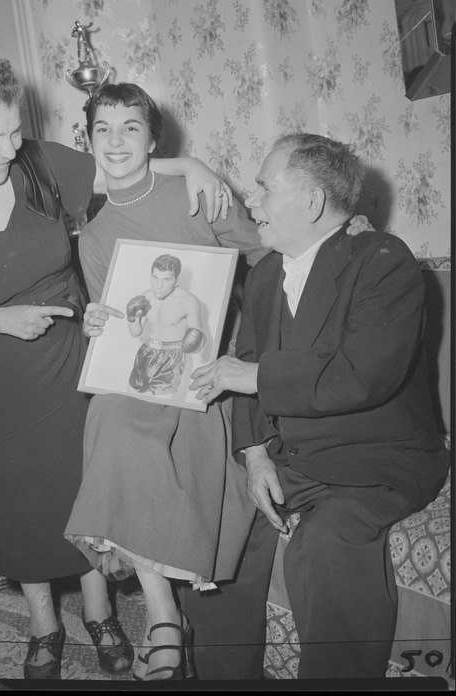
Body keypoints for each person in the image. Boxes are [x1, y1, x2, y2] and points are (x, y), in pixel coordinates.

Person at [0, 47, 234, 680]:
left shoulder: (38, 165)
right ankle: (43, 621)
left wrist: (195, 163)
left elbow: (124, 169)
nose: (9, 146)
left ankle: (100, 610)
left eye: (14, 128)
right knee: (20, 498)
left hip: (73, 353)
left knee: (82, 480)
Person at [63, 85, 371, 682]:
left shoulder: (195, 192)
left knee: (127, 421)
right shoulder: (95, 233)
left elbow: (271, 255)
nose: (117, 141)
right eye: (104, 129)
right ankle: (162, 615)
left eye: (132, 128)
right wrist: (96, 322)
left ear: (155, 139)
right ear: (90, 140)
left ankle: (166, 625)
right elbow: (121, 316)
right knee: (108, 413)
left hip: (217, 367)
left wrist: (341, 237)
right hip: (147, 375)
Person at [190, 133, 450, 680]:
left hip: (378, 459)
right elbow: (250, 371)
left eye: (263, 188)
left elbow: (362, 376)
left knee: (326, 543)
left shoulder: (383, 261)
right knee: (217, 516)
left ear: (311, 203)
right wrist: (257, 455)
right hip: (295, 456)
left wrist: (253, 375)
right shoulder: (263, 274)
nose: (251, 200)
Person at [127, 254, 205, 396]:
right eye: (155, 278)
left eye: (166, 279)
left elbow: (197, 344)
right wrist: (132, 319)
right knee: (130, 399)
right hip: (146, 351)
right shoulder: (146, 297)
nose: (159, 286)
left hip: (171, 358)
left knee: (159, 409)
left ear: (177, 280)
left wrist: (195, 341)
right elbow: (135, 333)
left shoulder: (188, 301)